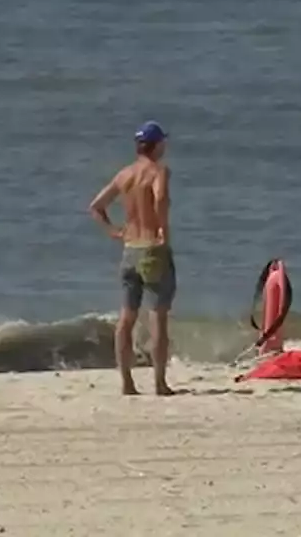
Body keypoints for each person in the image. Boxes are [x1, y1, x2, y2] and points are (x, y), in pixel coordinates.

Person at [88, 120, 177, 396]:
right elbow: (160, 198)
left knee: (126, 318)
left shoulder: (125, 175)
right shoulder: (158, 172)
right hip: (152, 247)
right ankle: (160, 383)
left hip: (130, 248)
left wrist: (113, 231)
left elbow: (96, 206)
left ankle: (127, 382)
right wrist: (162, 228)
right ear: (157, 145)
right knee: (158, 317)